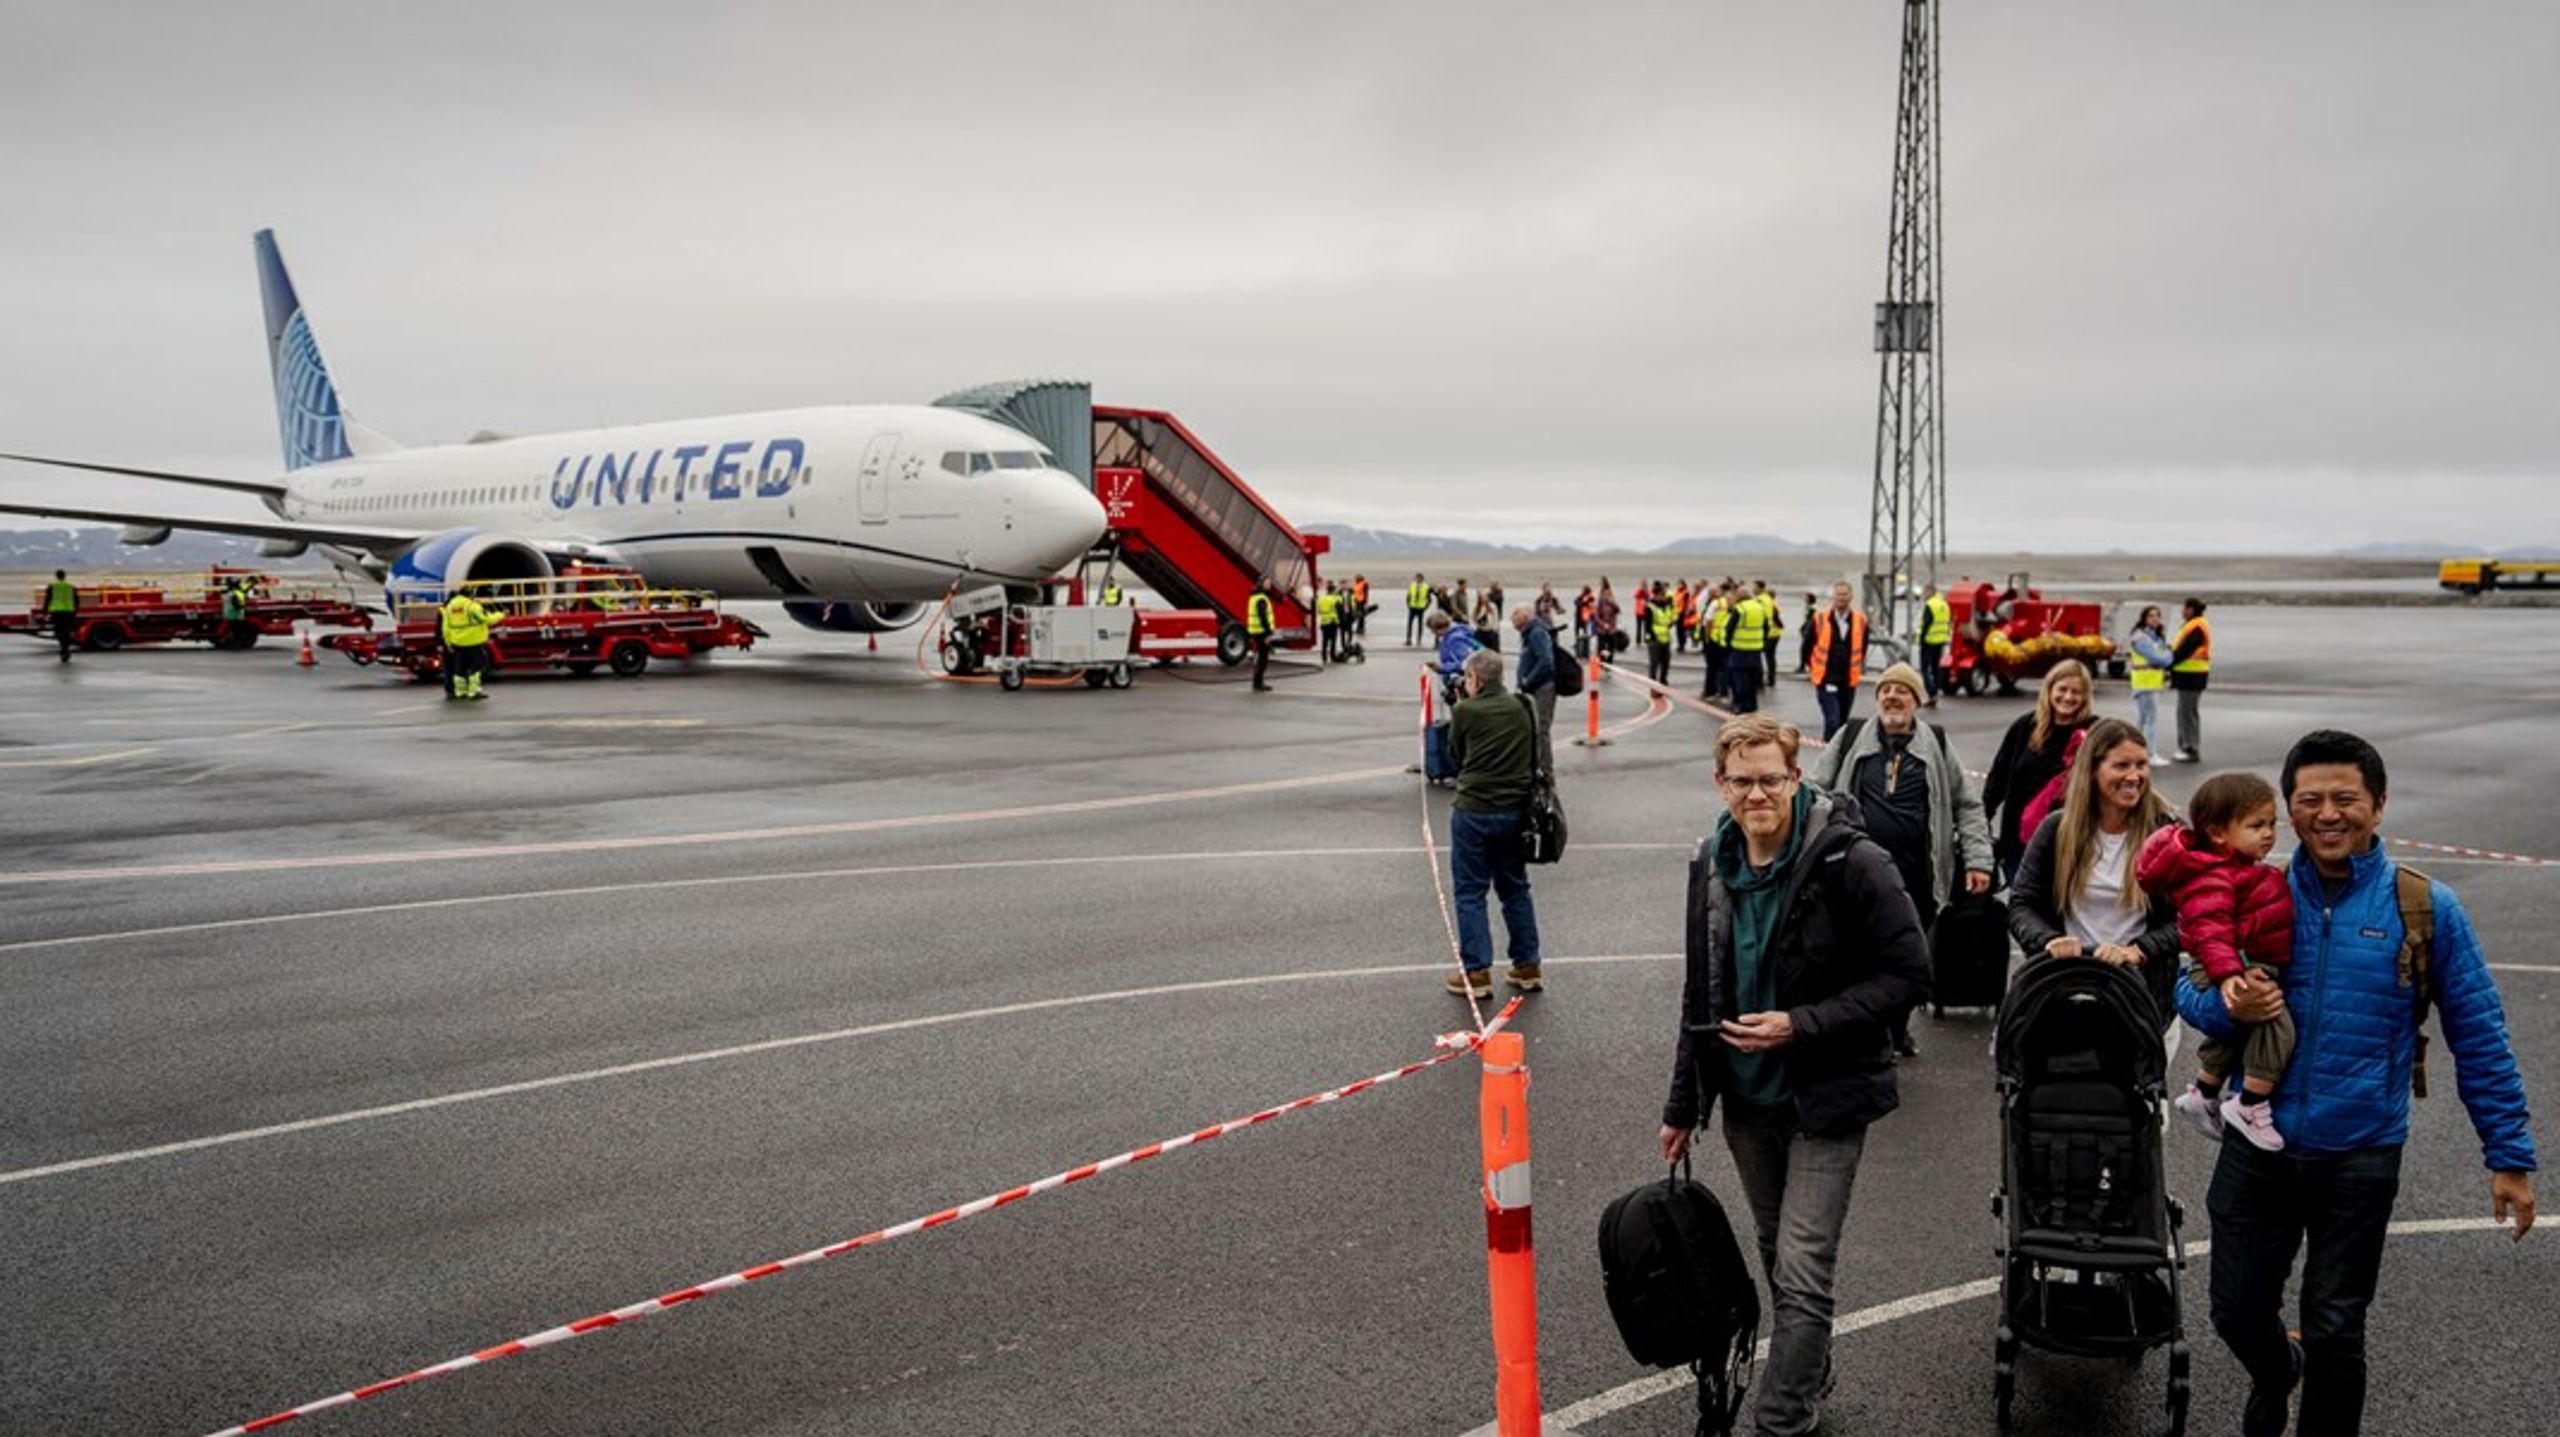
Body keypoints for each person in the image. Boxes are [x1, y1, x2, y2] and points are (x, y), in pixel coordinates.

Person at [2177, 730, 2536, 1437]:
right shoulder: (2255, 890)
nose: (2327, 813)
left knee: (2338, 1328)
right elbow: (2186, 989)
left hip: (2361, 1152)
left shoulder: (2426, 908)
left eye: (2346, 798)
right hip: (2261, 1140)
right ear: (2288, 809)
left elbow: (2480, 1035)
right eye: (2309, 800)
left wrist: (2510, 1156)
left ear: (2379, 805)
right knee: (2236, 1308)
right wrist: (2226, 1004)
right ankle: (2277, 1368)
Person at [1657, 715, 1930, 1437]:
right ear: (1720, 784)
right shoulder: (1708, 864)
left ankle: (1782, 1418)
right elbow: (1700, 992)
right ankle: (1809, 1366)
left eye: (1770, 777)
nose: (1756, 793)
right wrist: (1683, 1102)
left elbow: (1910, 971)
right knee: (1780, 1256)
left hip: (1826, 1094)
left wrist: (1799, 1023)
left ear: (1795, 777)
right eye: (1741, 780)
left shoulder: (1851, 860)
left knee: (1805, 1268)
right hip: (1746, 1101)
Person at [1810, 662, 1994, 1059]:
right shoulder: (1852, 735)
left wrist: (1979, 860)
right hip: (1856, 874)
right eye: (1886, 690)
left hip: (1918, 876)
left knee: (1908, 957)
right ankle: (1870, 1027)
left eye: (1902, 691)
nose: (1892, 697)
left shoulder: (1937, 743)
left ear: (1917, 701)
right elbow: (1815, 789)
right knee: (1858, 953)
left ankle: (1896, 1024)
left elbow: (1967, 804)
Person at [2139, 772, 2294, 1151]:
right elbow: (2209, 930)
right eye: (2257, 825)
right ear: (2219, 833)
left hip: (2235, 962)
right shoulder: (2215, 874)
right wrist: (2228, 975)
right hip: (2224, 965)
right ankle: (2251, 1105)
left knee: (2239, 1031)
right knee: (2276, 1025)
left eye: (2272, 823)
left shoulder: (2235, 868)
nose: (2269, 833)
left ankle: (2204, 1093)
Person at [2005, 717, 2181, 1030]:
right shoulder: (2056, 830)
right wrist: (2050, 941)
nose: (2134, 776)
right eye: (2121, 765)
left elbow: (2189, 917)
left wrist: (2139, 951)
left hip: (2140, 994)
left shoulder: (2167, 834)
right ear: (2092, 770)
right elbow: (2022, 903)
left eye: (2141, 764)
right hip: (2065, 988)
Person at [1444, 649, 1543, 998]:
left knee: (1470, 890)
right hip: (1515, 810)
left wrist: (1458, 706)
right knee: (1515, 887)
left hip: (1474, 809)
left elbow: (1455, 756)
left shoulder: (1464, 711)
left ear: (1476, 680)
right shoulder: (1521, 706)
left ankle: (1477, 971)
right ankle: (1527, 963)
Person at [1983, 660, 2096, 881]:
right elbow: (1998, 778)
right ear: (2049, 689)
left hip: (2068, 844)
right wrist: (1980, 822)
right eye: (2062, 689)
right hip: (2019, 843)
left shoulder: (2093, 732)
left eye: (2076, 692)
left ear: (2085, 697)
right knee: (2022, 905)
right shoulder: (2025, 727)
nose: (2068, 697)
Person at [1806, 582, 1868, 741]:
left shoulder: (1860, 620)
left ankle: (1840, 757)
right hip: (1826, 678)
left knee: (1842, 723)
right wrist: (1812, 667)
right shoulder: (1820, 618)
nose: (1841, 598)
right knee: (1832, 720)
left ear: (1851, 597)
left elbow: (1863, 647)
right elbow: (1807, 644)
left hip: (1848, 680)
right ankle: (1828, 753)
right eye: (1838, 594)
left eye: (1844, 595)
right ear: (1833, 597)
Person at [1511, 605, 1559, 770]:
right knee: (1534, 728)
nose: (1516, 629)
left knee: (1541, 729)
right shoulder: (1529, 633)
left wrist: (1527, 680)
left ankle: (1545, 768)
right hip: (1534, 688)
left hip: (1542, 688)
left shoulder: (1536, 633)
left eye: (1517, 625)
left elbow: (1546, 661)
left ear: (1524, 620)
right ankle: (1537, 763)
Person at [438, 587, 502, 701]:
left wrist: (448, 643)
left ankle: (460, 692)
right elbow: (486, 619)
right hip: (473, 642)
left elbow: (445, 628)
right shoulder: (472, 606)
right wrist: (500, 615)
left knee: (459, 668)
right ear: (470, 595)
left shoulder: (449, 607)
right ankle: (473, 692)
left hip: (457, 642)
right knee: (475, 667)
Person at [2169, 596, 2212, 763]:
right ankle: (2186, 746)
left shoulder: (2197, 626)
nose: (2182, 611)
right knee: (2185, 712)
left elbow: (2185, 650)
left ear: (2191, 609)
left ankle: (2190, 747)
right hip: (2189, 676)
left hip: (2191, 676)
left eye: (2184, 608)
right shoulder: (2195, 625)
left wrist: (2169, 660)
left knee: (2187, 713)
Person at [2125, 605, 2172, 758]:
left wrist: (2166, 656)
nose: (2155, 618)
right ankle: (2150, 754)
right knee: (2150, 720)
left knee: (2144, 720)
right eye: (2151, 616)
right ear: (2144, 618)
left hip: (2151, 682)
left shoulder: (2155, 636)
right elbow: (2159, 658)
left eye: (2157, 615)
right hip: (2145, 683)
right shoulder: (2142, 638)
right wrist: (2168, 656)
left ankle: (2138, 751)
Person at [1723, 581, 1774, 715]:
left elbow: (1729, 629)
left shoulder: (1740, 609)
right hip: (1756, 650)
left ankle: (1742, 706)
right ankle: (1752, 705)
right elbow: (1766, 628)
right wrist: (1761, 642)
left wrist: (1728, 644)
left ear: (1739, 596)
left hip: (1739, 649)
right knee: (1753, 680)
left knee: (1740, 680)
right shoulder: (1760, 608)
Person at [1917, 582, 1952, 706]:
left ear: (1930, 592)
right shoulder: (1944, 604)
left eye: (1924, 592)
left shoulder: (1931, 605)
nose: (1923, 595)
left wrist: (1921, 639)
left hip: (1929, 640)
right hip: (1940, 640)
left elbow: (1926, 624)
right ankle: (1935, 691)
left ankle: (1931, 692)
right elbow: (1948, 622)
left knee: (1925, 668)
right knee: (1936, 667)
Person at [1246, 580, 1278, 691]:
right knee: (1263, 659)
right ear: (1262, 584)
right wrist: (1268, 633)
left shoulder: (1254, 596)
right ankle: (1258, 683)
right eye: (1268, 583)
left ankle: (1257, 682)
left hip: (1256, 631)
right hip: (1262, 632)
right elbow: (1263, 617)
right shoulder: (1261, 598)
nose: (1270, 585)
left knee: (1261, 657)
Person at [1644, 581, 1675, 685]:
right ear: (1656, 595)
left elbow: (1669, 619)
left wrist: (1672, 621)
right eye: (1662, 595)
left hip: (1666, 637)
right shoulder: (1650, 607)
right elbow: (1648, 625)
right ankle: (1653, 684)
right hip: (1655, 639)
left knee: (1666, 663)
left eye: (1664, 595)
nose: (1664, 597)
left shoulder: (1667, 606)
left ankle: (1663, 680)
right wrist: (1651, 637)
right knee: (1654, 663)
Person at [44, 569, 78, 663]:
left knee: (59, 632)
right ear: (65, 576)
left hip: (57, 612)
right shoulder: (70, 587)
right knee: (67, 632)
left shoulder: (52, 587)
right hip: (68, 612)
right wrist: (75, 611)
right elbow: (76, 600)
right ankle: (66, 650)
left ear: (56, 576)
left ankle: (63, 649)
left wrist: (45, 611)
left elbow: (47, 599)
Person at [1756, 580, 1783, 687]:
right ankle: (1771, 678)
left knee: (1767, 656)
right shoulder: (1774, 603)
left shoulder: (1768, 603)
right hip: (1775, 632)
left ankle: (1766, 679)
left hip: (1771, 633)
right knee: (1770, 656)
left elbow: (1775, 617)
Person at [1317, 581, 1342, 663]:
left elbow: (1319, 610)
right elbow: (1339, 611)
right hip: (1332, 622)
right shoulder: (1334, 599)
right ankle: (1332, 655)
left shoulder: (1321, 599)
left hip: (1324, 622)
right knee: (1333, 640)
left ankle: (1324, 655)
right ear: (1333, 591)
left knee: (1325, 640)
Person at [1405, 573, 1431, 647]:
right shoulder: (1412, 585)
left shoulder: (1426, 587)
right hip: (1412, 607)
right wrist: (1408, 604)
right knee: (1410, 624)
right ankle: (1408, 639)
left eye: (1419, 578)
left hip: (1420, 608)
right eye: (1416, 578)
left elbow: (1429, 599)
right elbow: (1408, 596)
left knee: (1420, 625)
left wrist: (1425, 607)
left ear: (1422, 579)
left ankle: (1419, 640)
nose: (1417, 580)